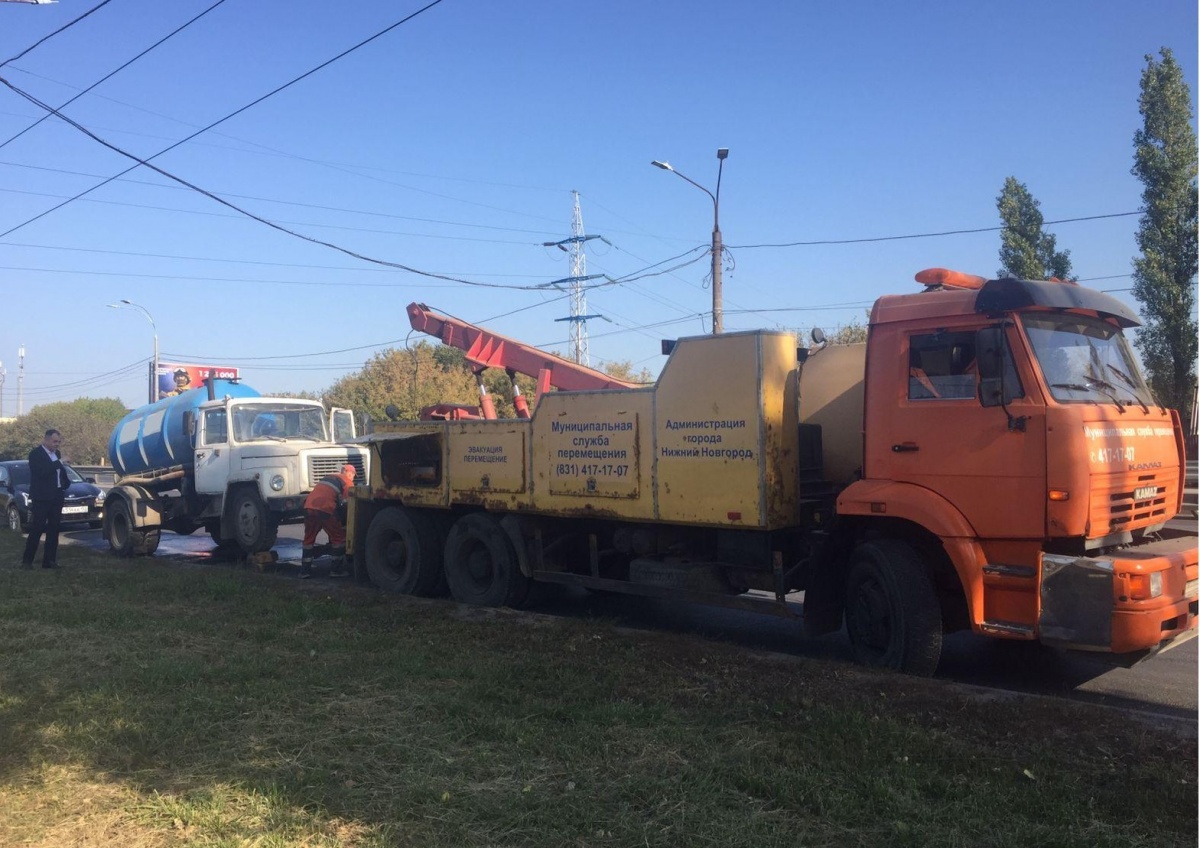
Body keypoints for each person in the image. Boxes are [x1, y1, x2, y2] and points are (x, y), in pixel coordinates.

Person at [21, 429, 72, 569]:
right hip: (41, 497)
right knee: (37, 528)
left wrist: (65, 482)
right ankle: (27, 561)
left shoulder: (57, 454)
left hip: (56, 496)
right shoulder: (35, 454)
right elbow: (42, 472)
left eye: (59, 442)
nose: (57, 444)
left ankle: (49, 561)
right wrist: (59, 462)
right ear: (46, 440)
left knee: (54, 529)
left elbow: (59, 472)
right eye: (55, 441)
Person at [300, 463, 358, 579]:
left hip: (309, 508)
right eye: (353, 475)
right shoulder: (347, 482)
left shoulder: (328, 477)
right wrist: (344, 523)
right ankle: (336, 571)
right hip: (325, 510)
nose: (353, 478)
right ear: (349, 473)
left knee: (308, 540)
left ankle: (304, 572)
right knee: (338, 539)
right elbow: (348, 505)